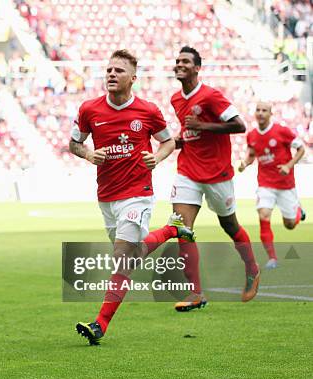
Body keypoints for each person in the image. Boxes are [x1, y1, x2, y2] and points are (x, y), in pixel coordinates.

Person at [69, 49, 194, 345]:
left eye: (119, 71)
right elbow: (74, 144)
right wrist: (89, 154)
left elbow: (168, 142)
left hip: (137, 194)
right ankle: (171, 229)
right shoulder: (89, 109)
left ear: (133, 79)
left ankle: (100, 323)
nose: (112, 74)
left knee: (122, 259)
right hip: (107, 196)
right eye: (109, 70)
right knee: (133, 255)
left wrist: (157, 158)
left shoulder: (148, 111)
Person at [170, 46, 259, 310]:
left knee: (230, 226)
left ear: (197, 67)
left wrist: (203, 126)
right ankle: (196, 293)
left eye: (185, 61)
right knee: (182, 230)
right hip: (187, 171)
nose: (180, 64)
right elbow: (189, 131)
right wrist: (180, 139)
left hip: (217, 173)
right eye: (177, 61)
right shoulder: (176, 99)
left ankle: (252, 268)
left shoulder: (210, 95)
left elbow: (239, 125)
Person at [239, 102, 306, 269]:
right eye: (258, 110)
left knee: (289, 225)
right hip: (265, 183)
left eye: (264, 110)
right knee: (263, 215)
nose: (260, 113)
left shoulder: (282, 131)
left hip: (286, 184)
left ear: (270, 114)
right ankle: (272, 259)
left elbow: (301, 149)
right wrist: (245, 163)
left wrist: (288, 166)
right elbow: (252, 154)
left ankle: (298, 211)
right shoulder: (252, 135)